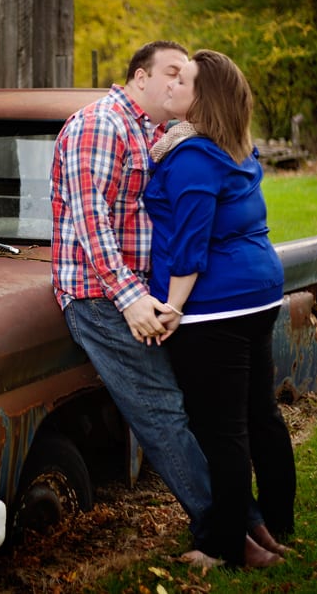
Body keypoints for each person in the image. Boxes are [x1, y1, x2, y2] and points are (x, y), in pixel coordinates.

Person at [50, 40, 217, 561]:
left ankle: (237, 518)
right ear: (139, 78)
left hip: (142, 293)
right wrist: (131, 301)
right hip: (99, 298)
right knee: (162, 412)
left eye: (184, 74)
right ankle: (224, 529)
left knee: (188, 405)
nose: (179, 81)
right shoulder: (101, 124)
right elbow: (90, 222)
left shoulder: (155, 135)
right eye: (171, 71)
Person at [145, 49, 297, 567]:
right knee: (262, 415)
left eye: (184, 80)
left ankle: (224, 544)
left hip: (217, 307)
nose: (175, 86)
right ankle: (278, 521)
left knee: (223, 429)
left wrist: (172, 308)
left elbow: (190, 246)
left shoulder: (192, 158)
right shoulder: (235, 148)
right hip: (260, 292)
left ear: (203, 96)